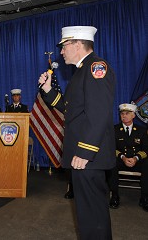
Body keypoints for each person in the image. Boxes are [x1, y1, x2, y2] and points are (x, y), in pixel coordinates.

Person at [38, 26, 116, 239]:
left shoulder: (96, 68)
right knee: (87, 213)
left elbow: (98, 113)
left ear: (79, 44)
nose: (61, 52)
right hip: (82, 156)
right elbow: (70, 109)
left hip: (88, 156)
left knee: (93, 214)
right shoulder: (81, 71)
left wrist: (85, 151)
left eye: (64, 46)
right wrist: (48, 90)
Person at [108, 103, 148, 211]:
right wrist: (123, 158)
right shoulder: (114, 129)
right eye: (122, 113)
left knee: (147, 164)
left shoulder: (142, 130)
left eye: (127, 113)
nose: (124, 116)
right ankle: (115, 196)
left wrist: (135, 158)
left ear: (134, 115)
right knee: (111, 163)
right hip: (121, 160)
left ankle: (145, 197)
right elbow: (111, 148)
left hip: (137, 161)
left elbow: (146, 149)